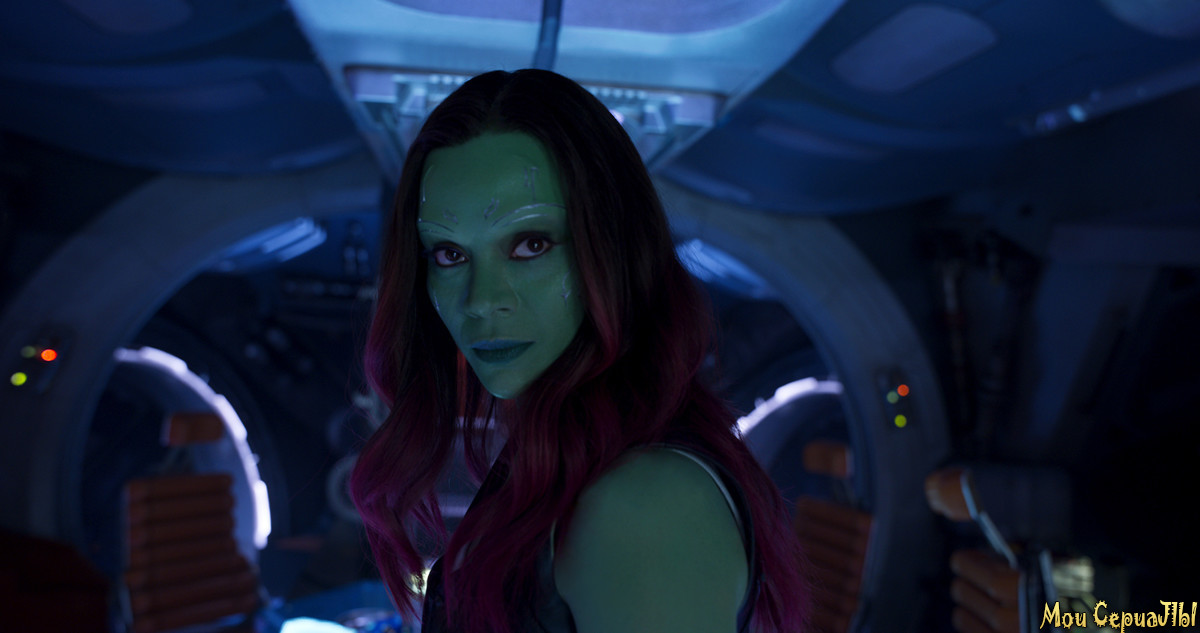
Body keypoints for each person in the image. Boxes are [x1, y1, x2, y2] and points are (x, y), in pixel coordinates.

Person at [351, 69, 809, 633]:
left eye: (531, 244)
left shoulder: (643, 506)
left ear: (615, 250)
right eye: (449, 254)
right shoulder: (566, 460)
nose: (481, 301)